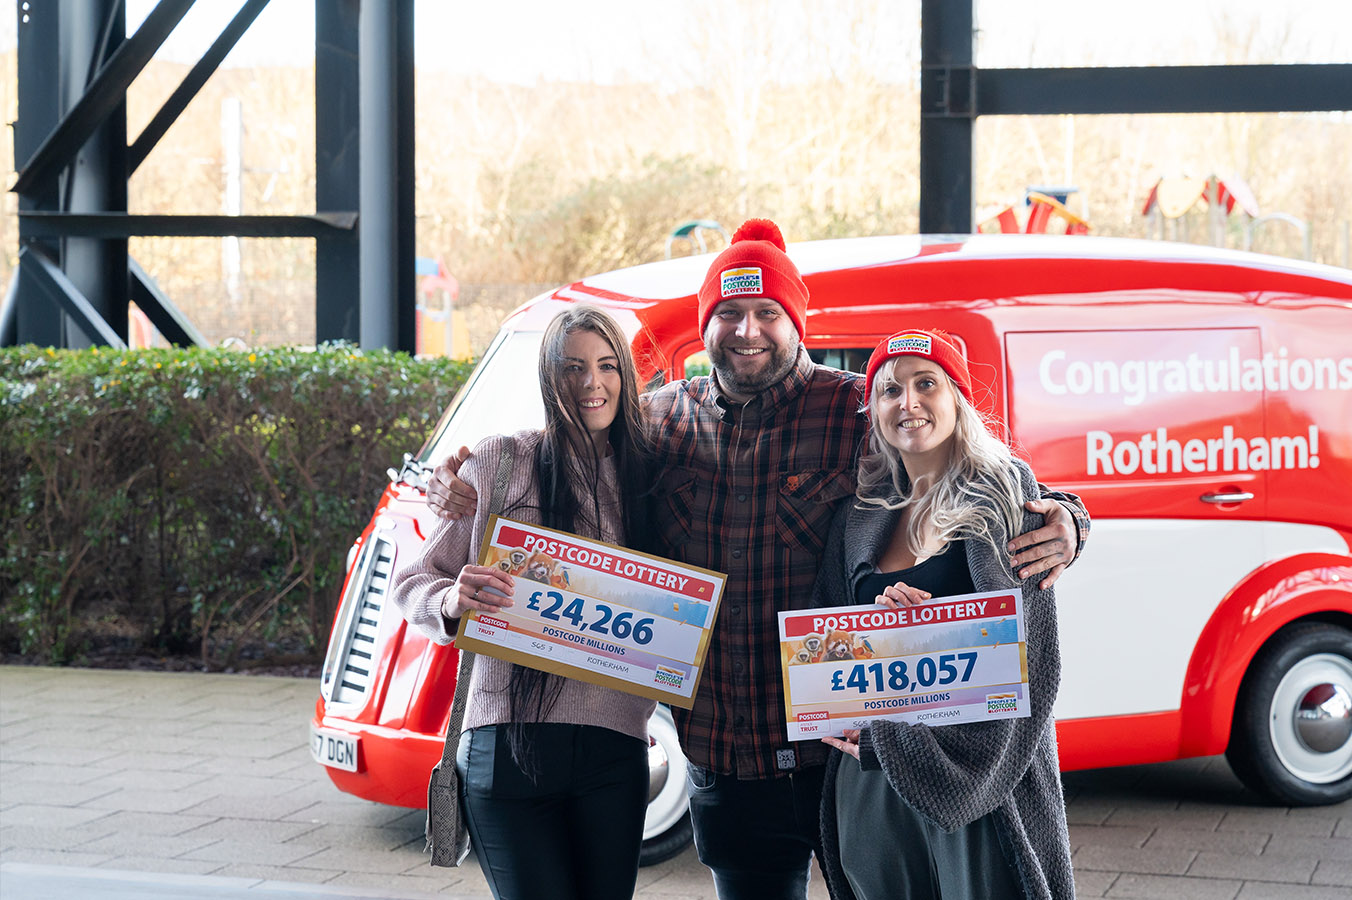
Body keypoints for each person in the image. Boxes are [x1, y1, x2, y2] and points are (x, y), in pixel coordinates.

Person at [426, 219, 1089, 900]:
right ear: (707, 322)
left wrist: (1068, 516)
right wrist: (468, 477)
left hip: (841, 752)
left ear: (795, 322)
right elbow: (572, 445)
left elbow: (959, 456)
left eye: (767, 312)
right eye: (730, 313)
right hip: (727, 757)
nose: (748, 331)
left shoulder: (857, 408)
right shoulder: (657, 423)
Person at [390, 306, 658, 900]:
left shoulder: (652, 473)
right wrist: (452, 600)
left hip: (615, 747)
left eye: (608, 366)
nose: (593, 383)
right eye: (574, 367)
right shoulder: (500, 460)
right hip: (506, 744)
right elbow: (412, 580)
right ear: (548, 377)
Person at [812, 329, 1074, 900]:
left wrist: (934, 632)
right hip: (874, 779)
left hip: (980, 780)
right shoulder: (857, 516)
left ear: (956, 397)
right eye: (888, 391)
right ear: (873, 411)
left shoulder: (1008, 498)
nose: (907, 403)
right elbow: (826, 650)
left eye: (924, 383)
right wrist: (884, 632)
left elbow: (1036, 663)